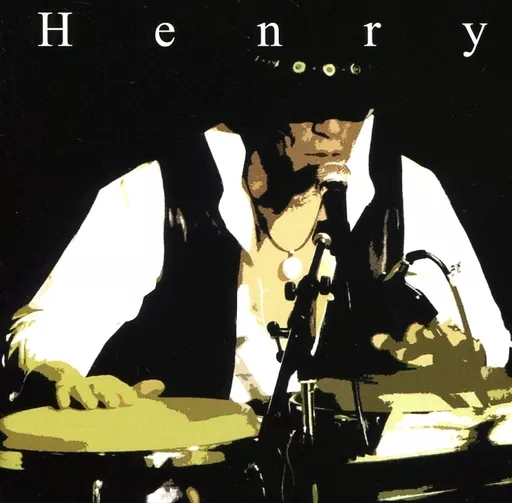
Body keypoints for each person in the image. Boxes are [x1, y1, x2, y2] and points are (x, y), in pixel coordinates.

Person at [1, 3, 510, 412]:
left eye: (352, 108)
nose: (332, 130)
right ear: (261, 99)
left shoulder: (406, 187)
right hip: (198, 477)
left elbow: (487, 337)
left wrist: (454, 354)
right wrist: (60, 372)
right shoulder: (163, 187)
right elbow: (53, 324)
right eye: (309, 105)